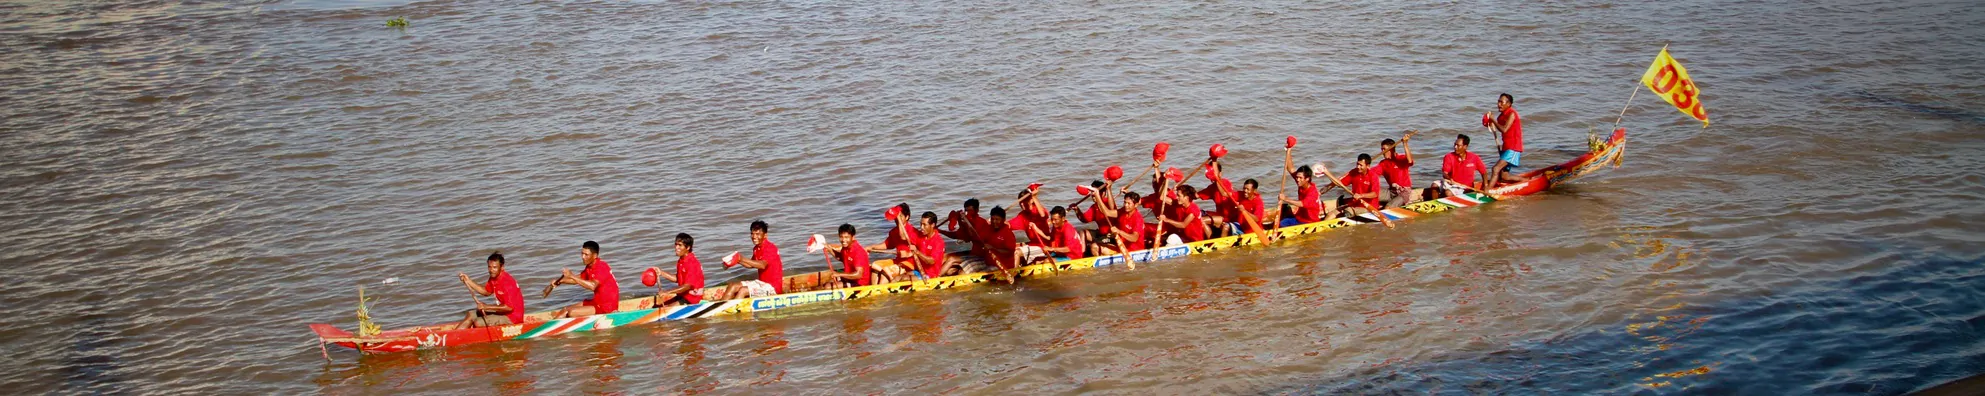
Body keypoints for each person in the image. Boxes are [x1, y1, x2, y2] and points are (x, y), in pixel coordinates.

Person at [1319, 154, 1396, 228]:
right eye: (1357, 164)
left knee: (1348, 211)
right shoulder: (1354, 172)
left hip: (1368, 206)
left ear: (1368, 166)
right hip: (1355, 203)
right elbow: (1339, 183)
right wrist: (1327, 173)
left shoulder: (1373, 176)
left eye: (1361, 165)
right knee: (1330, 214)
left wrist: (1361, 195)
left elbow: (1375, 194)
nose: (1358, 167)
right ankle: (1321, 227)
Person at [454, 251, 524, 329]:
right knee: (471, 314)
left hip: (513, 318)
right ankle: (452, 337)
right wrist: (468, 281)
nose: (491, 270)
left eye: (494, 267)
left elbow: (509, 307)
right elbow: (486, 292)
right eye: (489, 267)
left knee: (478, 322)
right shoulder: (493, 278)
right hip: (503, 312)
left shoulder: (507, 282)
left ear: (502, 267)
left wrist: (486, 307)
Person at [715, 221, 783, 300]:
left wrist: (741, 258)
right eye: (752, 234)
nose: (754, 237)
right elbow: (751, 264)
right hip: (761, 283)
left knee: (743, 290)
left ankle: (732, 309)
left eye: (757, 234)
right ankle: (721, 307)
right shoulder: (756, 248)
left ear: (765, 235)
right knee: (732, 286)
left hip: (773, 287)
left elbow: (762, 265)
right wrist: (737, 260)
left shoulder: (770, 248)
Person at [551, 241, 618, 318]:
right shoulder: (589, 267)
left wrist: (571, 275)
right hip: (596, 302)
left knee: (571, 312)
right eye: (582, 253)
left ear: (595, 255)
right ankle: (549, 327)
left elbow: (592, 286)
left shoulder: (601, 267)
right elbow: (577, 279)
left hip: (607, 307)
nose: (583, 257)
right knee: (565, 310)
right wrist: (560, 281)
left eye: (586, 254)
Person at [1485, 93, 1530, 186]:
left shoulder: (1512, 114)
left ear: (1509, 104)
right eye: (1498, 101)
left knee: (1495, 169)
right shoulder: (1500, 117)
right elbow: (1499, 127)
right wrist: (1490, 122)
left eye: (1502, 102)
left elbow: (1504, 129)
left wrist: (1493, 120)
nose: (1499, 104)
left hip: (1513, 148)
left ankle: (1488, 191)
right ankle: (1526, 181)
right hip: (1506, 147)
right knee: (1504, 176)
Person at [1429, 134, 1492, 200]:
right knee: (1434, 186)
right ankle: (1436, 202)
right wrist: (1449, 179)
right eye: (1455, 145)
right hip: (1450, 183)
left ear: (1465, 147)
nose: (1455, 147)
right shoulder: (1448, 156)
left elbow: (1484, 172)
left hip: (1464, 187)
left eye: (1458, 145)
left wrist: (1486, 186)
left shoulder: (1474, 158)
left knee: (1448, 193)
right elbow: (1445, 173)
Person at [1277, 144, 1325, 227]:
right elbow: (1290, 168)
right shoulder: (1302, 183)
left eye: (1300, 178)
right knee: (1284, 214)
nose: (1297, 179)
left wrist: (1285, 199)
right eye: (1297, 177)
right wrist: (1288, 150)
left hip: (1309, 221)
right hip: (1300, 217)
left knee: (1282, 224)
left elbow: (1302, 204)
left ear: (1307, 179)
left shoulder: (1312, 192)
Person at [651, 233, 705, 307]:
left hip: (692, 299)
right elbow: (678, 279)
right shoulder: (681, 261)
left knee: (666, 309)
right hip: (683, 295)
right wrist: (661, 273)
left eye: (680, 245)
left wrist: (667, 292)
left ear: (688, 247)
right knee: (657, 306)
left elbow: (687, 286)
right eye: (676, 244)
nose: (676, 247)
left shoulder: (692, 263)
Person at [1374, 131, 1418, 208]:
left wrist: (1405, 143)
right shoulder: (1383, 163)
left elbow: (1410, 161)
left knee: (1388, 207)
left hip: (1404, 193)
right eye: (1381, 149)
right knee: (1370, 194)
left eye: (1384, 149)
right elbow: (1371, 173)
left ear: (1392, 149)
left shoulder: (1400, 159)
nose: (1382, 152)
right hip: (1391, 192)